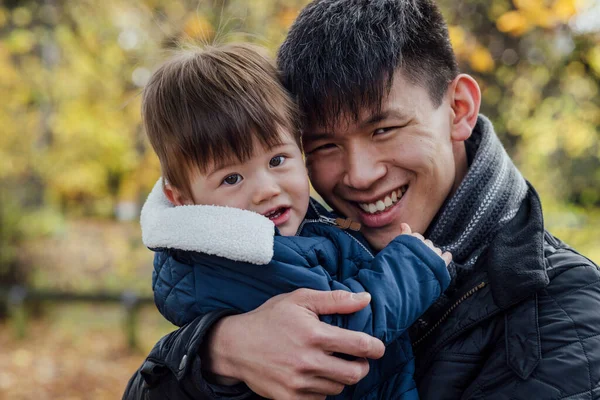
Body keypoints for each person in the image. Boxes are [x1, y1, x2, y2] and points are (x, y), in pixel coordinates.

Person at [124, 1, 600, 399]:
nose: (360, 175)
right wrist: (215, 354)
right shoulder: (284, 248)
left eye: (385, 129)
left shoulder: (566, 315)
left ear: (459, 110)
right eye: (324, 145)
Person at [137, 43, 452, 399]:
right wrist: (412, 268)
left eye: (277, 160)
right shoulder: (244, 254)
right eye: (231, 179)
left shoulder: (296, 230)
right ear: (181, 197)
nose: (266, 190)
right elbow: (338, 334)